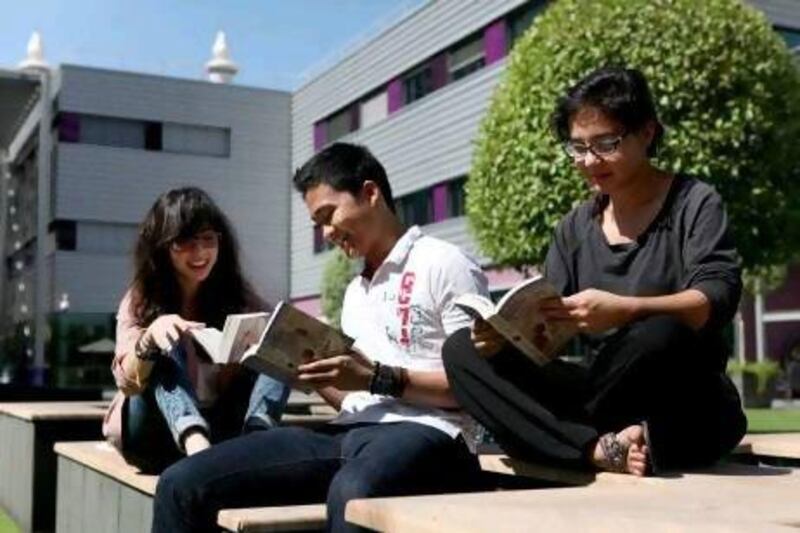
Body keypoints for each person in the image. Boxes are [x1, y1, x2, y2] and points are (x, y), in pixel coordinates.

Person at [152, 143, 488, 532]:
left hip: (434, 433)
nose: (327, 233)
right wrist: (299, 370)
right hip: (348, 431)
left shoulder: (444, 263)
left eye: (329, 216)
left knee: (351, 492)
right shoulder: (355, 294)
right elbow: (353, 398)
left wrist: (375, 376)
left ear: (370, 193)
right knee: (181, 482)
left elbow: (474, 387)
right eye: (318, 224)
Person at [443, 66, 747, 476]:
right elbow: (547, 332)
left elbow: (715, 300)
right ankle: (599, 448)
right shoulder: (575, 226)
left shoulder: (695, 202)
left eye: (606, 143)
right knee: (460, 350)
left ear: (648, 133)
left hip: (679, 388)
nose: (589, 160)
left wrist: (627, 308)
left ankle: (556, 434)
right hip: (599, 388)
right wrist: (503, 339)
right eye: (577, 147)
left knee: (662, 332)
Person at [102, 187, 290, 471]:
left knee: (282, 337)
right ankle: (195, 443)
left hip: (221, 431)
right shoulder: (141, 298)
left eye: (208, 239)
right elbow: (127, 383)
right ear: (163, 247)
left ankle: (257, 439)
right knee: (164, 338)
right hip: (153, 438)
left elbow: (277, 331)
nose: (200, 252)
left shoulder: (238, 296)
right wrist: (150, 338)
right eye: (185, 242)